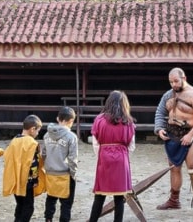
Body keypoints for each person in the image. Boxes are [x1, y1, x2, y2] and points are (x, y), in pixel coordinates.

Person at [154, 67, 193, 217]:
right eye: (171, 82)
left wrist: (191, 135)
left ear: (184, 78)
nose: (173, 84)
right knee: (174, 167)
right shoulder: (168, 95)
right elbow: (160, 112)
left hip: (192, 134)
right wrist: (159, 129)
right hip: (173, 135)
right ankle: (174, 201)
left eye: (176, 81)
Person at [88, 90, 136, 222]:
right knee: (119, 198)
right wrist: (123, 155)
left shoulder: (99, 119)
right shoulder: (128, 121)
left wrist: (103, 155)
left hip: (104, 157)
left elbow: (95, 143)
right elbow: (131, 145)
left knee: (99, 196)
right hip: (121, 159)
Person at [2, 114, 46, 222]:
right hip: (28, 182)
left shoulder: (14, 141)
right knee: (28, 207)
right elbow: (33, 163)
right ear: (32, 129)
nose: (37, 133)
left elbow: (7, 158)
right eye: (38, 131)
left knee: (20, 205)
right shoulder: (32, 143)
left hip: (16, 180)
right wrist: (35, 179)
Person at [42, 107, 78, 222]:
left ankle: (48, 219)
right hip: (64, 173)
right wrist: (74, 174)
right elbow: (73, 158)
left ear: (58, 118)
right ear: (71, 121)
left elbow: (43, 154)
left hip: (50, 172)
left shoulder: (47, 135)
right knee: (66, 202)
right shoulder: (71, 137)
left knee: (51, 198)